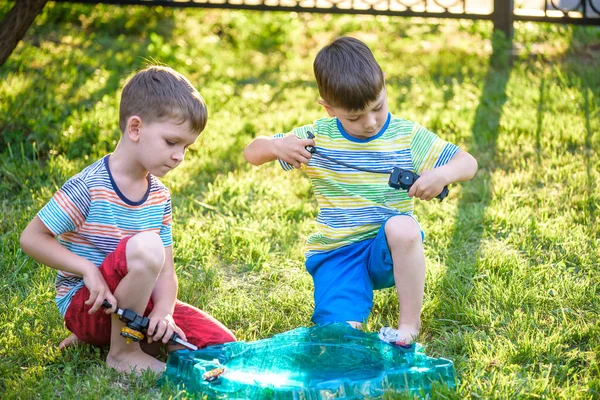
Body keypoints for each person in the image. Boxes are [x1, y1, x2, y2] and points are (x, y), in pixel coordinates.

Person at [243, 37, 478, 346]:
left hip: (387, 250)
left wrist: (441, 174)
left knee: (403, 226)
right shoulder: (316, 139)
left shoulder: (405, 135)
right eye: (354, 117)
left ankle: (409, 326)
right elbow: (251, 153)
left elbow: (468, 162)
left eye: (377, 108)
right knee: (339, 337)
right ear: (328, 109)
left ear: (384, 87)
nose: (369, 123)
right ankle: (347, 310)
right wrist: (276, 146)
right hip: (338, 253)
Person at [20, 65, 236, 374]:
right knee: (146, 246)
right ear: (135, 128)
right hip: (90, 305)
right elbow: (31, 238)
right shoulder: (89, 187)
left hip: (134, 308)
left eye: (186, 147)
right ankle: (123, 352)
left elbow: (166, 273)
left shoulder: (159, 196)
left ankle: (106, 340)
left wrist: (163, 313)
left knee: (221, 343)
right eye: (171, 142)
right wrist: (86, 269)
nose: (180, 156)